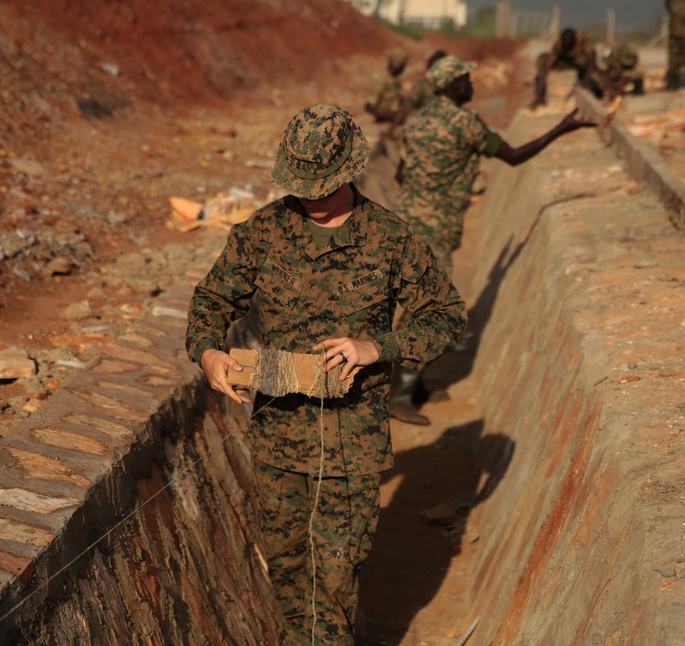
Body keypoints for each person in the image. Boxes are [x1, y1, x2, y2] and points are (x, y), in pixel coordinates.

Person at [185, 104, 466, 644]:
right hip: (277, 441)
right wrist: (208, 352)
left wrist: (376, 346)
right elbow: (212, 298)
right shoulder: (262, 232)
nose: (311, 197)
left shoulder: (390, 238)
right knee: (289, 568)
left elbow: (445, 315)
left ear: (348, 171)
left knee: (335, 575)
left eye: (322, 186)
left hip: (352, 445)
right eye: (303, 186)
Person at [389, 55, 595, 425]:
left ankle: (415, 386)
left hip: (406, 222)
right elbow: (513, 156)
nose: (472, 85)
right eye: (467, 79)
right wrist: (560, 129)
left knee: (413, 300)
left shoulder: (417, 120)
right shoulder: (464, 124)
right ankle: (399, 394)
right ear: (453, 86)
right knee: (426, 308)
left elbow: (404, 171)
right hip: (436, 228)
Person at [532, 27, 602, 108]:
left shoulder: (582, 39)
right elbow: (547, 66)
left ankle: (597, 92)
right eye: (566, 44)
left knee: (585, 64)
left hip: (579, 61)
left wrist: (587, 80)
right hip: (565, 61)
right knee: (542, 58)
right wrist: (539, 95)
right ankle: (541, 98)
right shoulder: (559, 44)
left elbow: (590, 59)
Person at [364, 47, 408, 123]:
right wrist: (390, 117)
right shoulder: (382, 80)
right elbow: (368, 106)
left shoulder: (395, 81)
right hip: (383, 123)